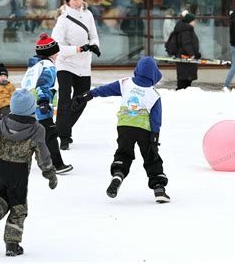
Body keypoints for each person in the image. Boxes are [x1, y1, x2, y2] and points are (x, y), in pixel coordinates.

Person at [0, 89, 58, 257]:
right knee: (18, 208)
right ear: (31, 109)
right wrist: (49, 172)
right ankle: (12, 244)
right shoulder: (36, 129)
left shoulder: (4, 122)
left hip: (1, 167)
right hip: (19, 172)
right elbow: (43, 153)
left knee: (2, 196)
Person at [71, 57, 170, 203]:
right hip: (145, 130)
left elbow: (105, 90)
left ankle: (118, 174)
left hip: (125, 127)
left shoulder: (125, 83)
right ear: (154, 74)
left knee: (124, 153)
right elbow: (156, 118)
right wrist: (155, 137)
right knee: (151, 157)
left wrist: (87, 96)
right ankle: (159, 188)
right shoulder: (153, 94)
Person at [52, 0, 101, 150]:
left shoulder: (88, 14)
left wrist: (94, 46)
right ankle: (64, 137)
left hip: (83, 64)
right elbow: (55, 46)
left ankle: (61, 128)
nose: (79, 2)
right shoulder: (63, 19)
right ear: (68, 2)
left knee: (82, 99)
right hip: (65, 63)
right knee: (65, 100)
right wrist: (78, 49)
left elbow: (93, 35)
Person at [23, 33, 73, 174]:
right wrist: (44, 101)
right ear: (51, 53)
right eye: (56, 52)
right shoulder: (48, 66)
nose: (58, 54)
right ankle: (56, 165)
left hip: (28, 105)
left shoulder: (35, 65)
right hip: (40, 106)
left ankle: (17, 161)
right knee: (50, 133)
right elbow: (42, 85)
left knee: (33, 134)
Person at [171, 10, 201, 90]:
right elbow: (186, 44)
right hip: (185, 58)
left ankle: (183, 94)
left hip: (186, 59)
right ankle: (181, 95)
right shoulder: (186, 31)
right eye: (193, 21)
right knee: (184, 81)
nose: (195, 22)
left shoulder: (186, 29)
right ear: (189, 21)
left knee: (186, 80)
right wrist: (192, 54)